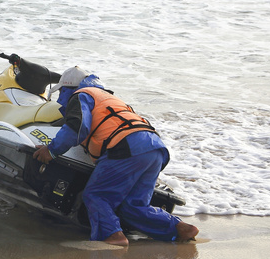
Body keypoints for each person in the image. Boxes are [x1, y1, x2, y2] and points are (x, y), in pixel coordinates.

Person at [33, 66, 199, 246]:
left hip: (126, 146)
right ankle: (179, 229)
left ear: (67, 88)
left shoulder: (81, 95)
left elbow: (78, 127)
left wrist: (51, 150)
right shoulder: (110, 99)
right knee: (133, 206)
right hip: (155, 148)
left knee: (97, 196)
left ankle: (111, 236)